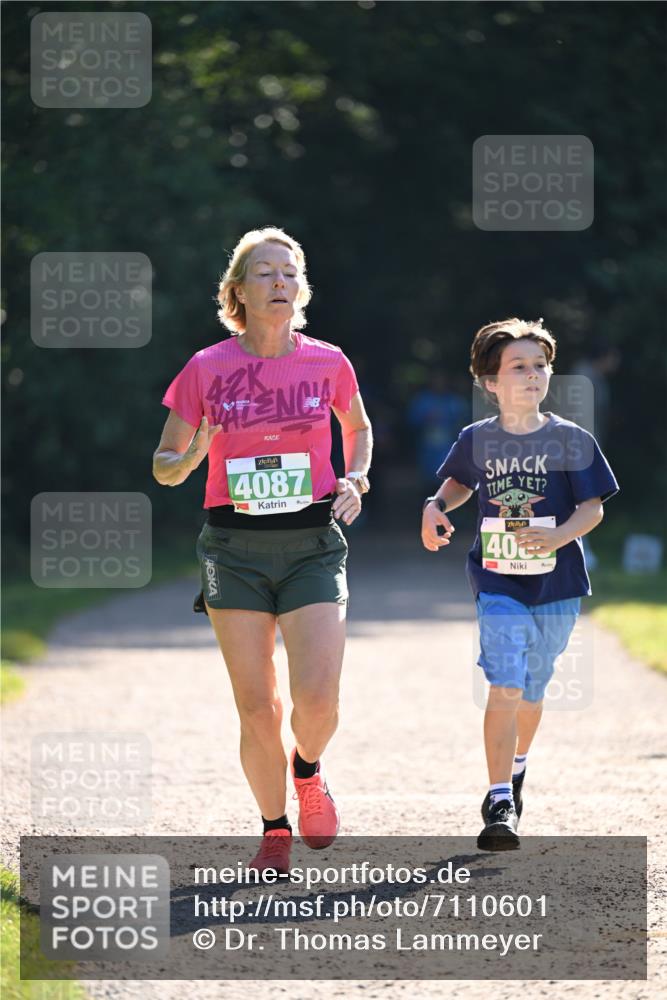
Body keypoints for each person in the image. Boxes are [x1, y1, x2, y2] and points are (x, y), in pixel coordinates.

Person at [153, 227, 372, 874]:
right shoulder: (205, 368)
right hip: (233, 550)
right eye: (266, 273)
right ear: (238, 292)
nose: (280, 283)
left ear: (300, 288)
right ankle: (274, 830)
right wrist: (195, 451)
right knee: (256, 707)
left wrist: (355, 479)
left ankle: (308, 771)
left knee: (318, 698)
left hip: (311, 545)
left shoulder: (328, 362)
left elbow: (357, 429)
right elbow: (164, 467)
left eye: (289, 273)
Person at [420, 318, 618, 852]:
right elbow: (459, 483)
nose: (532, 376)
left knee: (532, 687)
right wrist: (435, 507)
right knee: (505, 679)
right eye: (518, 367)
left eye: (540, 366)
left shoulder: (571, 439)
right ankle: (500, 798)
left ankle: (519, 764)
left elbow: (592, 509)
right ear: (490, 381)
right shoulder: (476, 439)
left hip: (558, 584)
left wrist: (556, 539)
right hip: (496, 579)